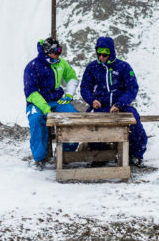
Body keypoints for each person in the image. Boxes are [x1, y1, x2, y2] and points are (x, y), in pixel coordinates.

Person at [80, 36, 148, 165]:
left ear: (111, 52)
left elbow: (132, 88)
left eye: (104, 54)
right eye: (99, 53)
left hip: (120, 106)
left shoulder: (123, 67)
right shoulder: (92, 67)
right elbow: (85, 88)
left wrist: (120, 103)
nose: (101, 57)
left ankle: (135, 154)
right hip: (100, 106)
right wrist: (92, 100)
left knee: (135, 121)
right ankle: (100, 155)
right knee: (92, 123)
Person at [23, 36, 80, 165]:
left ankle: (65, 154)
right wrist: (45, 109)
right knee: (36, 119)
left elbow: (71, 76)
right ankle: (39, 158)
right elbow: (31, 93)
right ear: (47, 52)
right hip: (37, 102)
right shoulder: (32, 66)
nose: (59, 54)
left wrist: (69, 95)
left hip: (56, 100)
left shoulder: (61, 63)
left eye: (60, 50)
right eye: (56, 51)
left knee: (74, 117)